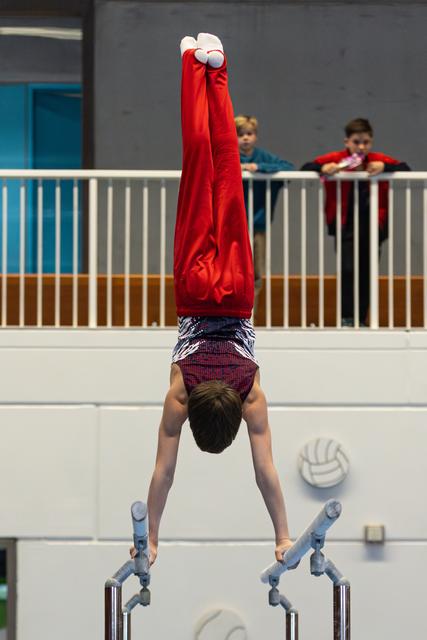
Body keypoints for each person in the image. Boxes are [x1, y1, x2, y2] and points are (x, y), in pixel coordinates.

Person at [131, 34, 293, 567]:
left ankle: (218, 69)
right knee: (199, 167)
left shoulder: (252, 398)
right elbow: (164, 473)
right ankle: (191, 63)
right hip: (195, 293)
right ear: (198, 417)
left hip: (240, 291)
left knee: (225, 174)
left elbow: (265, 473)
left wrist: (283, 533)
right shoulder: (181, 393)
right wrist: (151, 534)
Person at [301, 118, 410, 326]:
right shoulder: (337, 158)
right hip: (345, 225)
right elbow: (306, 166)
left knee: (368, 272)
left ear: (371, 142)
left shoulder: (377, 159)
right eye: (356, 142)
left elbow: (406, 168)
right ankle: (347, 318)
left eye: (366, 142)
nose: (361, 147)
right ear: (346, 142)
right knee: (348, 270)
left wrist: (385, 166)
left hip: (374, 226)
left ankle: (361, 319)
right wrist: (325, 167)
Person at [235, 114, 294, 315]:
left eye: (249, 134)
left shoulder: (263, 157)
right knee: (233, 272)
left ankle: (250, 317)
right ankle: (234, 315)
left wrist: (259, 168)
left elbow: (288, 168)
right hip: (231, 226)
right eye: (240, 134)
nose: (245, 138)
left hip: (258, 224)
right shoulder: (228, 156)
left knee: (256, 272)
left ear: (256, 136)